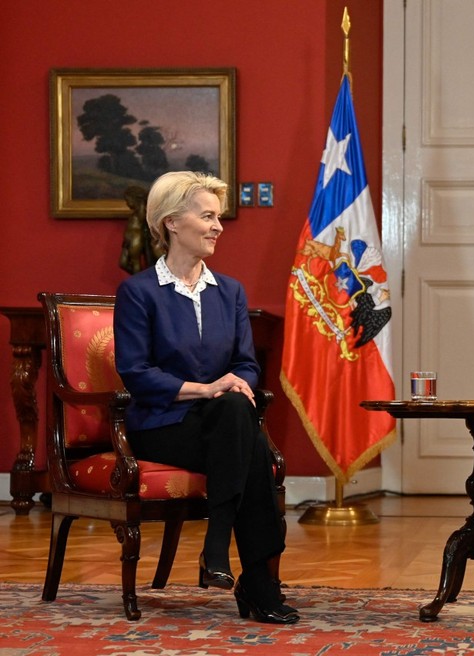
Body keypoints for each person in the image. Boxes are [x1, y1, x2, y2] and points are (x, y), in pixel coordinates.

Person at [114, 171, 299, 625]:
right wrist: (208, 388)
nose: (218, 226)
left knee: (237, 413)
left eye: (219, 218)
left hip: (220, 422)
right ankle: (257, 584)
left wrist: (232, 384)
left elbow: (247, 363)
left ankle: (221, 552)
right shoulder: (138, 293)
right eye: (208, 216)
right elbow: (136, 374)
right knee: (248, 440)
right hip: (162, 425)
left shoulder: (230, 291)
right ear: (172, 222)